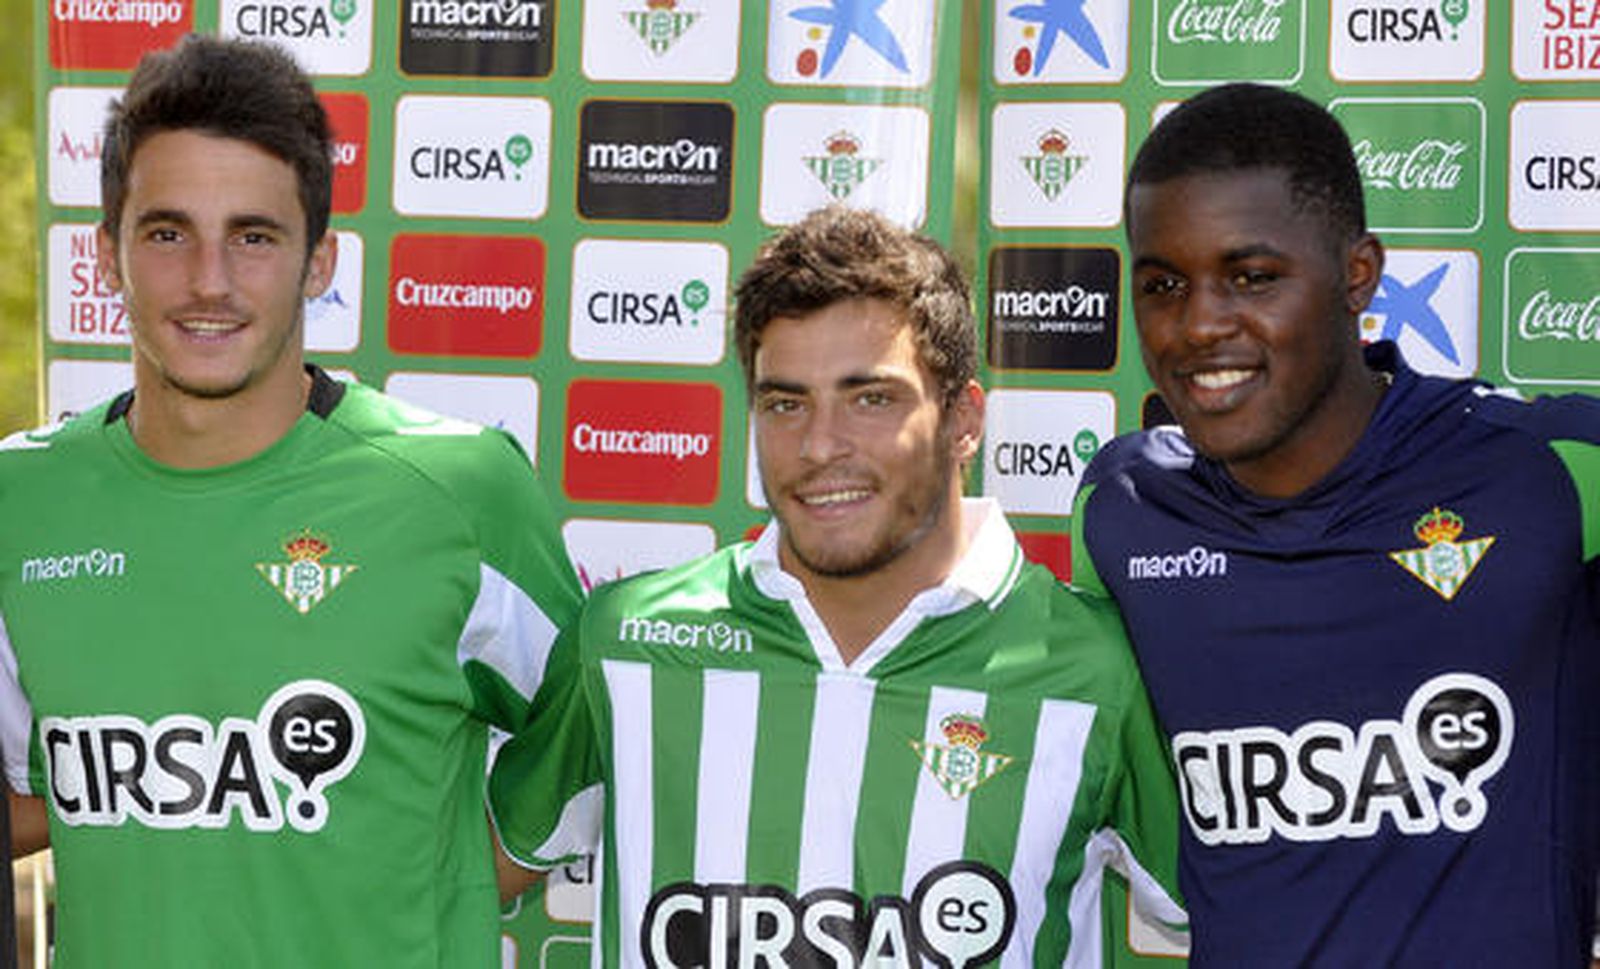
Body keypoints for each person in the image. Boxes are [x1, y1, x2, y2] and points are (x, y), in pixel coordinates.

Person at [0, 35, 582, 967]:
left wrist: (453, 873)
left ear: (319, 262)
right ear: (108, 255)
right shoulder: (18, 501)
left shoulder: (462, 491)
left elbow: (592, 725)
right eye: (166, 233)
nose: (209, 282)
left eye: (254, 237)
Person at [489, 206, 1186, 967]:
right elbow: (463, 871)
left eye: (871, 398)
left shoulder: (1096, 668)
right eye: (785, 403)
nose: (820, 446)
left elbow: (1235, 909)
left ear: (964, 419)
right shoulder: (626, 642)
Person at [1071, 82, 1600, 967]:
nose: (1199, 324)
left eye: (1253, 277)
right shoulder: (1120, 514)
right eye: (1164, 283)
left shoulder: (1548, 474)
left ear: (1359, 274)